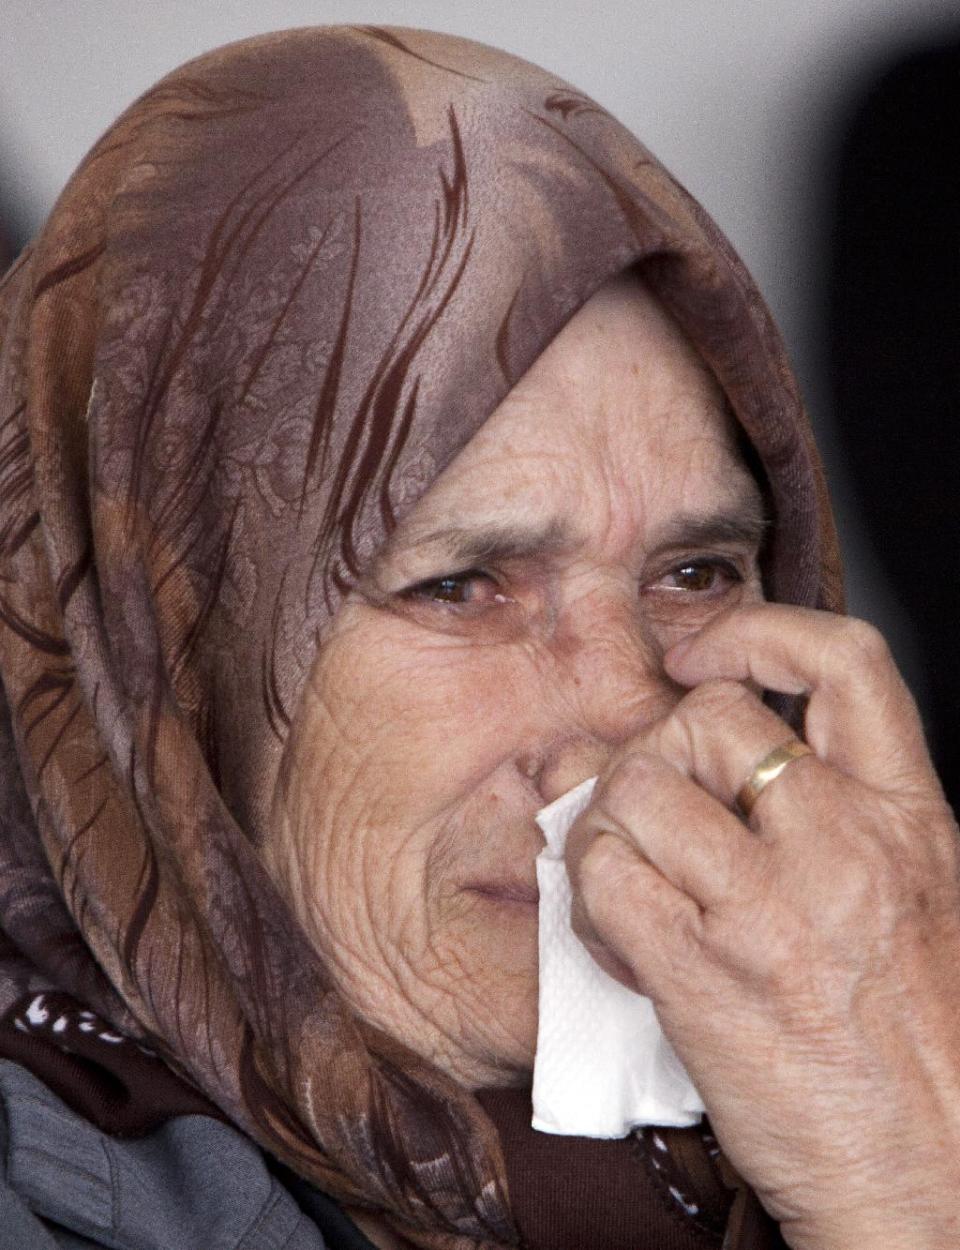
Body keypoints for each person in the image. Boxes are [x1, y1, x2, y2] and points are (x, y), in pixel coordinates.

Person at [0, 25, 957, 1250]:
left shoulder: (913, 1066)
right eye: (461, 585)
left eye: (696, 571)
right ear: (168, 669)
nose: (630, 709)